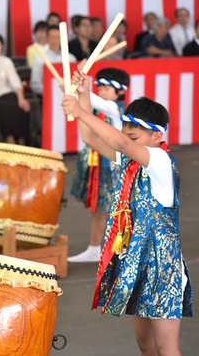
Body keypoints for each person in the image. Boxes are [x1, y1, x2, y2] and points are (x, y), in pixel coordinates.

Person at [62, 65, 192, 355]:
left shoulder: (159, 160)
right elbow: (91, 139)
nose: (127, 138)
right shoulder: (133, 162)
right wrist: (84, 96)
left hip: (163, 267)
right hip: (137, 261)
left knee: (166, 346)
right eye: (127, 133)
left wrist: (82, 112)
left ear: (157, 137)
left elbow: (119, 141)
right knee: (145, 345)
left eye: (135, 137)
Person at [68, 68, 129, 262]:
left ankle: (123, 249)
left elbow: (93, 101)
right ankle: (94, 248)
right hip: (101, 164)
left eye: (106, 87)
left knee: (121, 209)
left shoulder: (115, 107)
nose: (102, 90)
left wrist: (77, 87)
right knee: (99, 208)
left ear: (121, 91)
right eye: (99, 86)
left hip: (115, 166)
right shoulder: (103, 107)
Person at [30, 25, 77, 97]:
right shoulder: (39, 59)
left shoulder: (71, 58)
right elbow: (35, 84)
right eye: (52, 37)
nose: (55, 40)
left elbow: (75, 79)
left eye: (58, 37)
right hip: (49, 97)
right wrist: (53, 92)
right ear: (47, 38)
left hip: (71, 96)